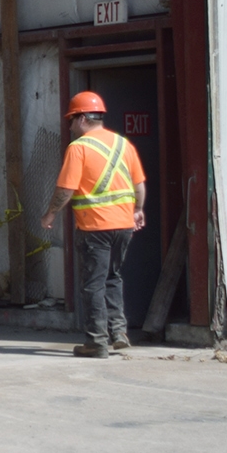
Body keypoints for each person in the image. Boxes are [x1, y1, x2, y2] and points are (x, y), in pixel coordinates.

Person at [39, 90, 147, 358]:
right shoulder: (124, 145)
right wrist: (138, 210)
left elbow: (66, 189)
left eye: (72, 120)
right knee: (113, 277)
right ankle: (119, 332)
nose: (70, 126)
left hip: (94, 228)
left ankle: (96, 341)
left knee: (93, 284)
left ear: (83, 118)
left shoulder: (78, 148)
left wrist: (50, 214)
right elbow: (139, 185)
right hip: (123, 226)